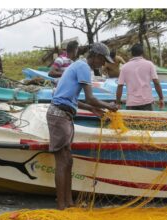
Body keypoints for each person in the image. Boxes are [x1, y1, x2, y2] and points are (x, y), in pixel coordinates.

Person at [46, 42, 118, 210]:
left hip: (65, 115)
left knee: (68, 161)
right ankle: (62, 205)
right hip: (59, 115)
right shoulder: (83, 67)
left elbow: (73, 100)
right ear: (95, 56)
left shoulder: (78, 65)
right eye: (102, 60)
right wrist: (108, 106)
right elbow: (90, 97)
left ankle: (69, 203)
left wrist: (93, 109)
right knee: (63, 162)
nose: (102, 64)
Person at [116, 43, 164, 111]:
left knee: (131, 122)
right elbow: (156, 82)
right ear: (142, 53)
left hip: (131, 103)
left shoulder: (124, 67)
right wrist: (161, 98)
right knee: (148, 121)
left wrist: (118, 103)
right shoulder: (149, 64)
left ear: (131, 54)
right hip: (147, 102)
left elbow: (120, 86)